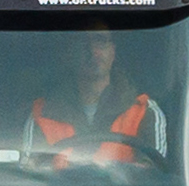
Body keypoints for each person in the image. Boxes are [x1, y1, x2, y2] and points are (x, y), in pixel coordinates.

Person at [29, 30, 157, 172]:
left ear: (113, 51)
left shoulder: (144, 111)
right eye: (83, 43)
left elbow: (156, 177)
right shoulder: (42, 112)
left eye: (100, 40)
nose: (93, 51)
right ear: (70, 53)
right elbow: (28, 176)